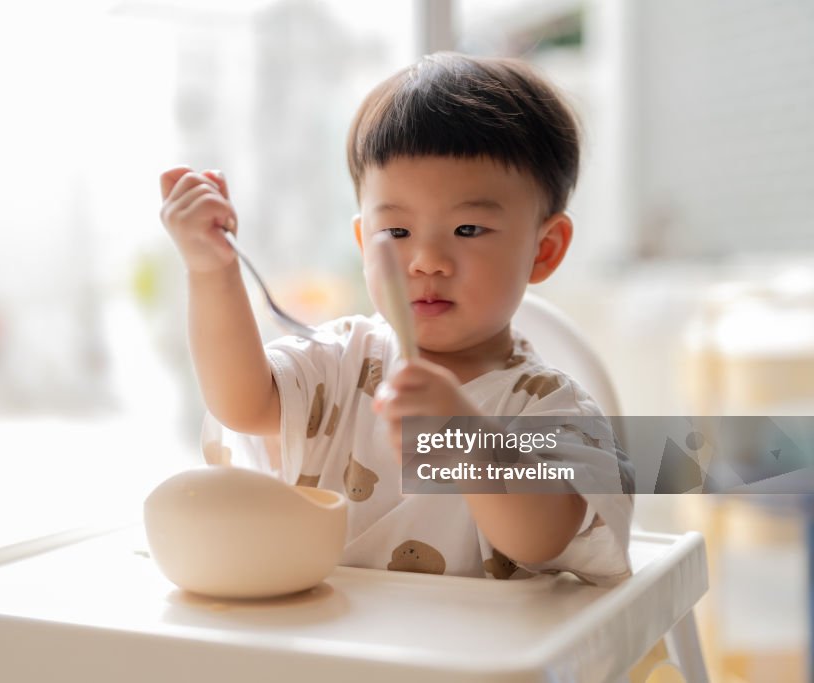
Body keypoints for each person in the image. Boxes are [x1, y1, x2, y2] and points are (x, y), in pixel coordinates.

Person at [159, 52, 632, 585]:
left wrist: (467, 439)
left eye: (468, 230)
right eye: (398, 233)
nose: (426, 260)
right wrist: (210, 272)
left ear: (544, 249)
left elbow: (541, 535)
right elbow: (242, 403)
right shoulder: (342, 362)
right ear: (365, 243)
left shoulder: (550, 408)